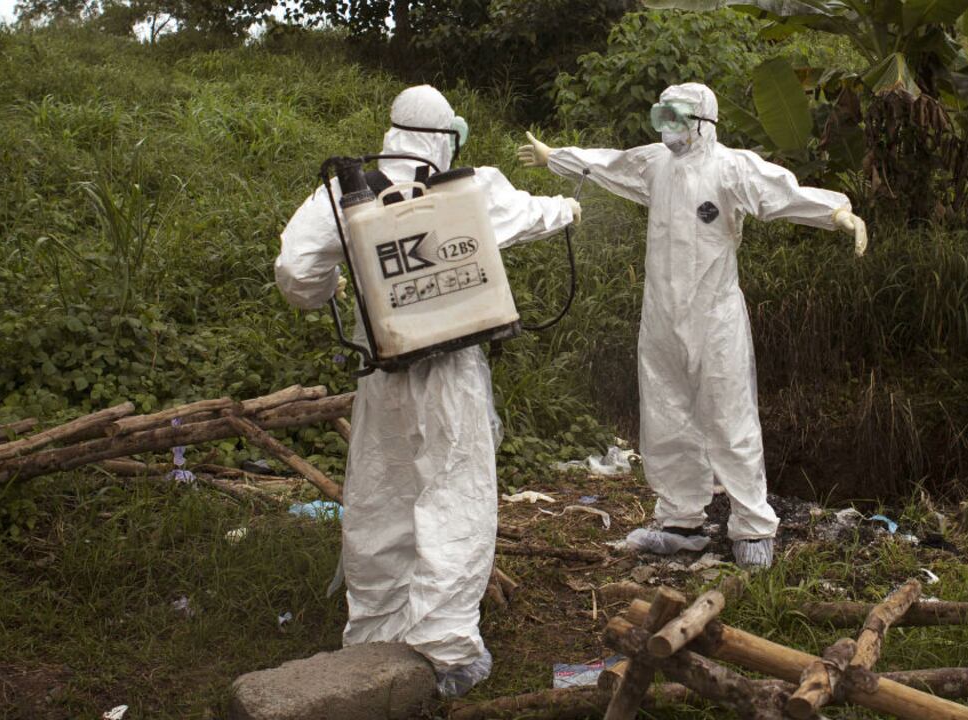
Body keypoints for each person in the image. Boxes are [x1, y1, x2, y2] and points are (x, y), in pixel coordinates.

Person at [274, 85, 578, 697]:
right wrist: (568, 207)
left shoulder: (345, 190)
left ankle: (375, 634)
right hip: (454, 366)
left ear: (392, 130)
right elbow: (531, 215)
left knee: (381, 494)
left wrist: (328, 289)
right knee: (455, 491)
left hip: (382, 363)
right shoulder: (471, 187)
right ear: (447, 135)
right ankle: (443, 646)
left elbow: (295, 268)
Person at [518, 82, 867, 569]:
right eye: (661, 116)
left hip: (715, 317)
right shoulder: (655, 165)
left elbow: (779, 191)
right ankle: (681, 522)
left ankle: (752, 526)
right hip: (661, 313)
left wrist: (835, 212)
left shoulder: (730, 167)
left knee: (728, 417)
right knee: (666, 416)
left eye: (676, 117)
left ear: (703, 121)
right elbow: (608, 163)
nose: (667, 128)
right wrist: (556, 156)